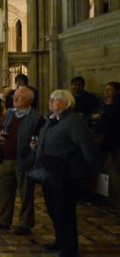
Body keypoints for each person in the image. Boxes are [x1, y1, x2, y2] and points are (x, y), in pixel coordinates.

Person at [34, 90, 98, 256]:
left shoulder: (74, 121)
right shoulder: (52, 119)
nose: (51, 102)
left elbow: (87, 146)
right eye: (51, 99)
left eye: (55, 100)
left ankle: (69, 247)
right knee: (53, 209)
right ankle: (60, 241)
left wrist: (92, 173)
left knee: (65, 211)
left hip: (67, 174)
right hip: (51, 171)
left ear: (66, 102)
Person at [0, 86, 45, 235]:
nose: (14, 99)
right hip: (7, 159)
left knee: (25, 194)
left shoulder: (37, 118)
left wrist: (30, 159)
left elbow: (38, 142)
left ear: (29, 100)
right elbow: (3, 129)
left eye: (19, 97)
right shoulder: (10, 113)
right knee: (3, 191)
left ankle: (25, 224)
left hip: (24, 160)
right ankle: (3, 220)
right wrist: (0, 136)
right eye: (14, 96)